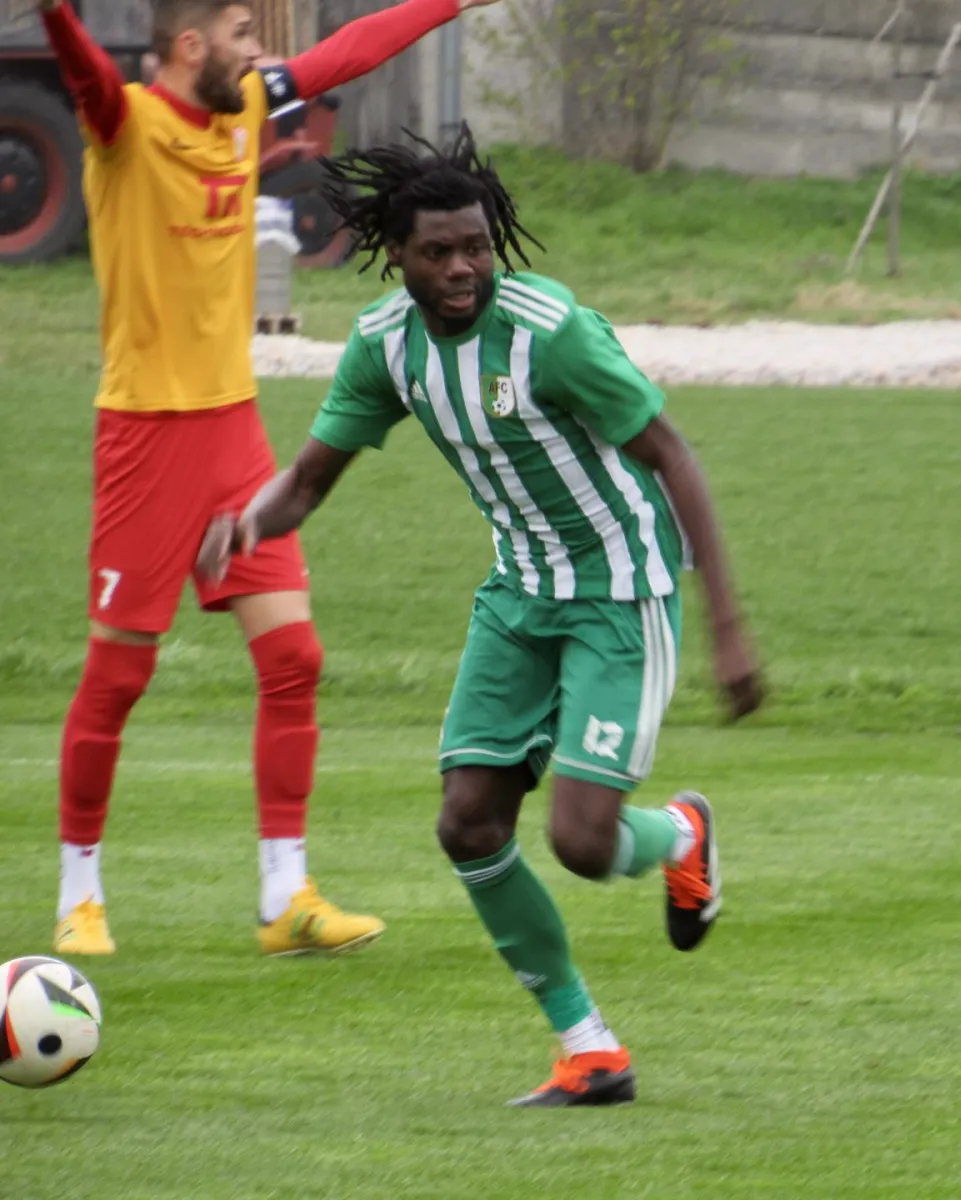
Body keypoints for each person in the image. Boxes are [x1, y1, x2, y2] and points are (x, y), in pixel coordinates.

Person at [196, 126, 763, 1107]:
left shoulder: (551, 332)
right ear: (397, 254)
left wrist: (727, 626)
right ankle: (589, 1049)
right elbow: (310, 481)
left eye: (476, 247)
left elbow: (673, 455)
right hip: (518, 596)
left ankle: (679, 836)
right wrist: (247, 523)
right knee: (467, 824)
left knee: (583, 843)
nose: (463, 268)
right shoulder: (386, 346)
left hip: (620, 593)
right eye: (439, 252)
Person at [39, 0, 502, 958]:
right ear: (191, 45)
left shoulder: (246, 102)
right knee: (118, 676)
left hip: (234, 431)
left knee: (294, 659)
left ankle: (286, 898)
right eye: (243, 34)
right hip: (143, 436)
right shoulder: (126, 127)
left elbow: (346, 52)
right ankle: (79, 898)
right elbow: (86, 74)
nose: (261, 53)